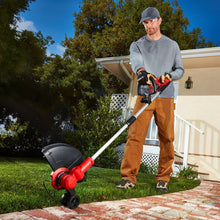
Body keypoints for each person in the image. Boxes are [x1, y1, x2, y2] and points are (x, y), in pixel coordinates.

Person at [116, 7, 184, 192]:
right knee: (135, 136)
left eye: (151, 21)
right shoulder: (137, 44)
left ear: (159, 20)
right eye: (145, 23)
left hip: (166, 96)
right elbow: (136, 61)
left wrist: (169, 76)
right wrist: (142, 73)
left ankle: (163, 177)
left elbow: (180, 69)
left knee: (167, 138)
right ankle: (128, 178)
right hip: (144, 95)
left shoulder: (172, 45)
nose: (148, 26)